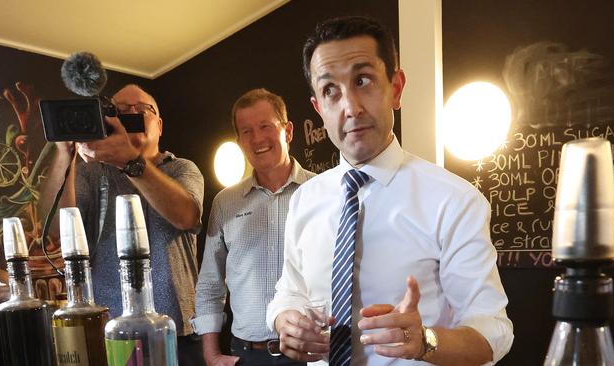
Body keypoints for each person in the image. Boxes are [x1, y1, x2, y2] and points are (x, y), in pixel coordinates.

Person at [266, 16, 514, 365]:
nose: (350, 107)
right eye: (330, 91)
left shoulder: (454, 200)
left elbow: (494, 332)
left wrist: (426, 340)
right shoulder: (305, 200)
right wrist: (284, 320)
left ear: (395, 88)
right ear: (319, 108)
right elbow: (289, 291)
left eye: (363, 80)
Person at [39, 84, 205, 365]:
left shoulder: (181, 168)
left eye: (142, 110)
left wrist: (130, 160)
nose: (131, 115)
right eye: (120, 111)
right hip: (116, 329)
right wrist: (65, 155)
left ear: (160, 125)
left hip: (180, 329)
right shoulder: (93, 174)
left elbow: (186, 215)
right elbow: (57, 228)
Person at [192, 88, 315, 366]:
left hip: (309, 353)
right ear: (239, 141)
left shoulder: (321, 192)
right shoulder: (225, 203)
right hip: (246, 355)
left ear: (288, 131)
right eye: (246, 131)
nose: (257, 138)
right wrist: (211, 356)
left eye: (265, 126)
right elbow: (211, 284)